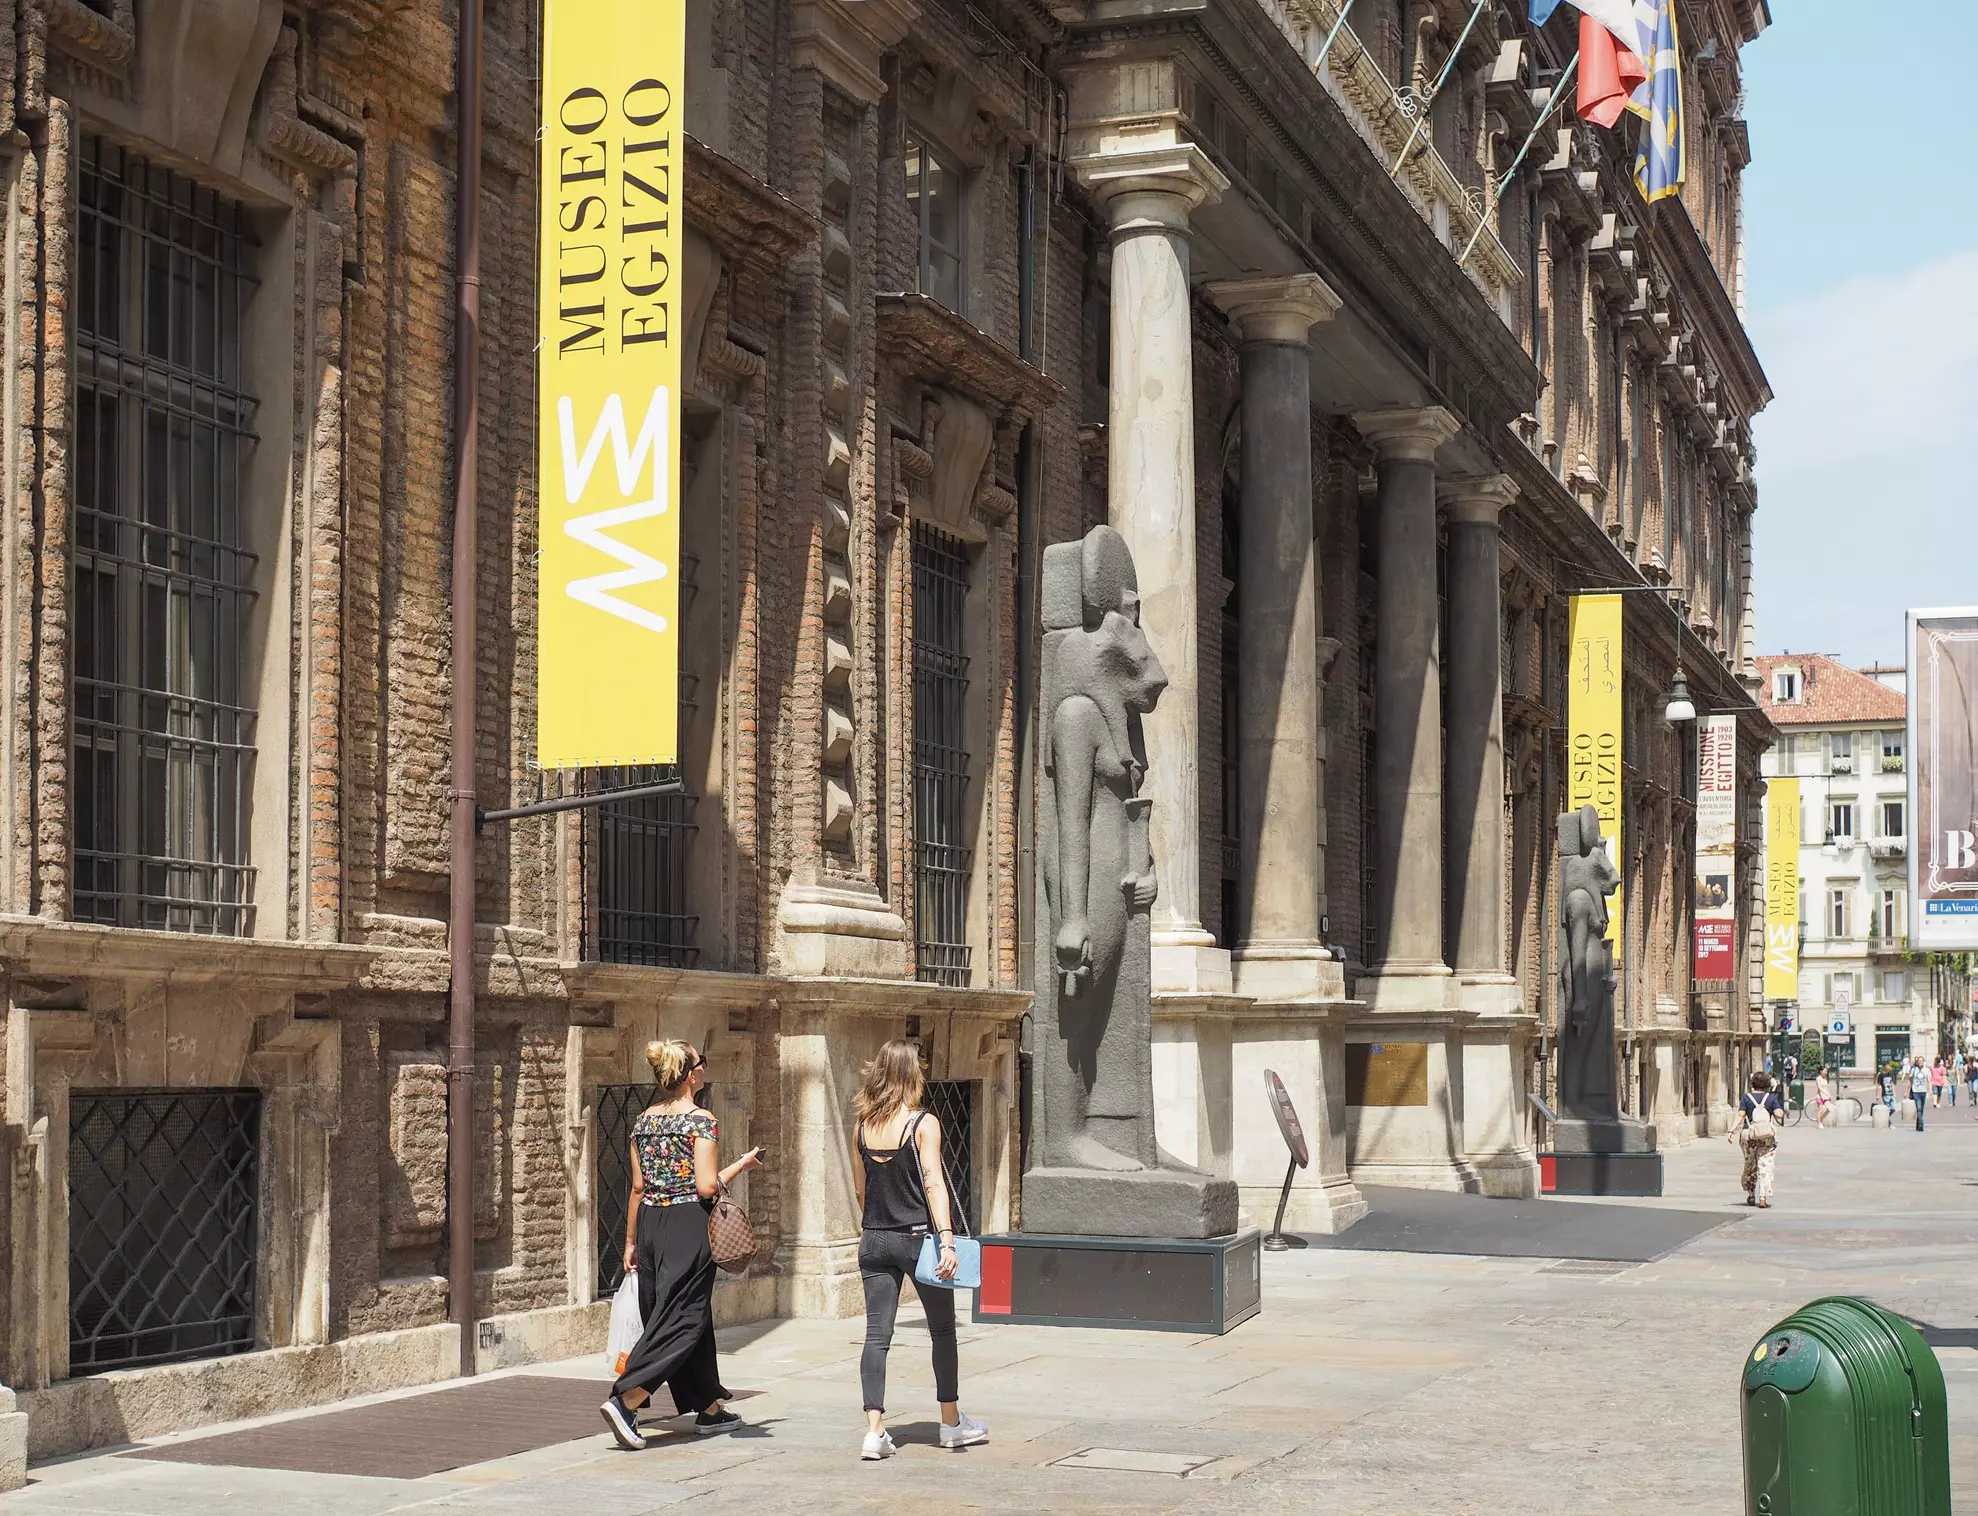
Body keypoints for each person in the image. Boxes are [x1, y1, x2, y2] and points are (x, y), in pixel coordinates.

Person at [600, 1039, 764, 1451]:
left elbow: (638, 1188)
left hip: (651, 1224)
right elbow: (706, 1186)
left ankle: (708, 1408)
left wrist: (630, 1241)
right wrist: (742, 1165)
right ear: (690, 1075)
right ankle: (628, 1399)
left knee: (688, 1313)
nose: (704, 1069)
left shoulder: (643, 1120)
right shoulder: (700, 1121)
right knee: (683, 1318)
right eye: (701, 1063)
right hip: (688, 1224)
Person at [851, 1039, 988, 1461]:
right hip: (918, 1241)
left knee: (877, 1335)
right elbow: (933, 1183)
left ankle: (874, 1431)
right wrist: (946, 1239)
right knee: (942, 1330)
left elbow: (860, 1190)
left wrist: (877, 1221)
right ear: (911, 1074)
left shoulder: (861, 1126)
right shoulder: (923, 1123)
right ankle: (951, 1424)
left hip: (874, 1238)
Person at [1730, 1071, 1785, 1206]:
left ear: (1752, 1083)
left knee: (1750, 1164)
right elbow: (1779, 1115)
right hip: (1767, 1137)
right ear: (1767, 1084)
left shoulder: (1746, 1098)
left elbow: (1740, 1115)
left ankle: (1750, 1194)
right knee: (1765, 1165)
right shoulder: (1771, 1098)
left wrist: (1731, 1130)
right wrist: (1778, 1109)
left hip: (1749, 1136)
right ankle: (1762, 1196)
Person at [1910, 1055, 1931, 1131]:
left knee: (1921, 1109)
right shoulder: (1913, 1070)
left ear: (1923, 1062)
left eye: (1921, 1060)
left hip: (1923, 1091)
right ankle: (1921, 1125)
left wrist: (1930, 1089)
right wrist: (1907, 1091)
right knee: (1918, 1108)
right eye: (1919, 1061)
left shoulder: (1927, 1070)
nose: (1920, 1062)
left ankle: (1918, 1123)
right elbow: (1910, 1080)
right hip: (1916, 1091)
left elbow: (1929, 1080)